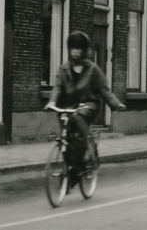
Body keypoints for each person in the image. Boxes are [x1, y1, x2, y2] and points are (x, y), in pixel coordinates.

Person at [45, 31, 126, 169]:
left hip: (89, 104)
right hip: (69, 106)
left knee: (78, 118)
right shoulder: (64, 69)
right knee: (67, 137)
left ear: (84, 50)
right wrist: (52, 102)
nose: (75, 52)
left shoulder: (92, 68)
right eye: (73, 48)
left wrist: (116, 103)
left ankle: (91, 148)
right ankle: (71, 168)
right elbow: (58, 87)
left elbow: (103, 89)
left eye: (79, 49)